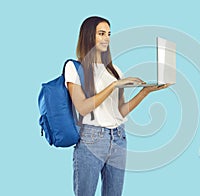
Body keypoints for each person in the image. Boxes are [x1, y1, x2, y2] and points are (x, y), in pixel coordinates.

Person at [64, 16, 169, 196]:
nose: (107, 38)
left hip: (118, 137)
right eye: (101, 33)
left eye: (109, 34)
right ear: (89, 36)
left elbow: (120, 112)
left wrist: (145, 92)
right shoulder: (74, 68)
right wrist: (114, 86)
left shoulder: (115, 70)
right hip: (92, 139)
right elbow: (82, 107)